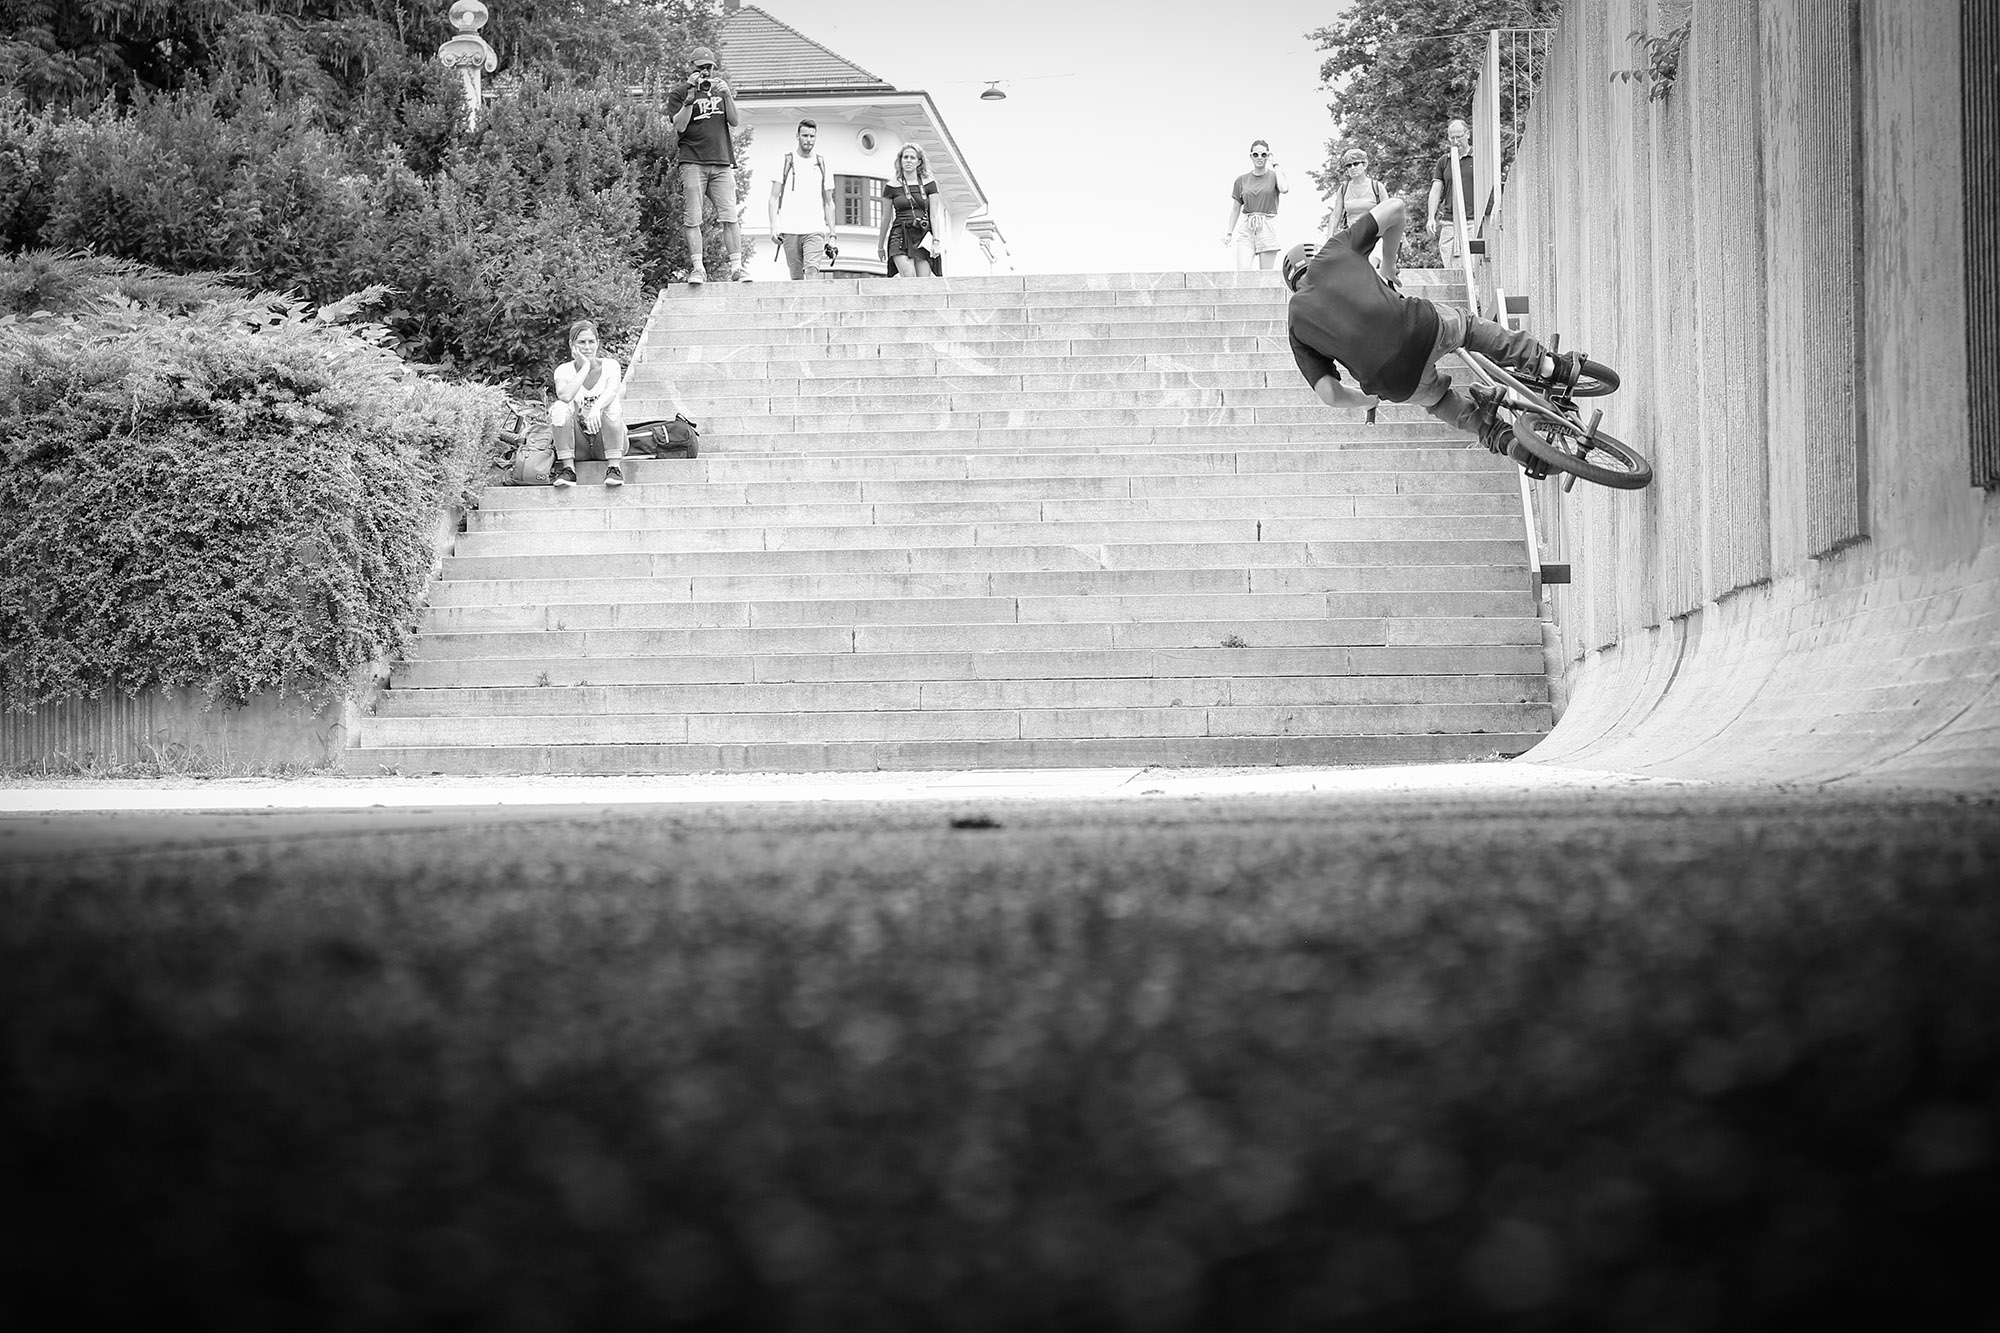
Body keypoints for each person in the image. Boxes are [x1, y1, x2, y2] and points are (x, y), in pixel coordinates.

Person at [1280, 197, 1581, 456]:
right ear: (1315, 256)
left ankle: (1506, 441)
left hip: (1391, 381)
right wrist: (1387, 263)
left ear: (1293, 286)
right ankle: (1548, 366)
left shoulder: (1295, 321)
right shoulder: (1334, 251)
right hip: (1419, 328)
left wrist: (1367, 399)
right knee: (1468, 328)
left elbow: (1330, 394)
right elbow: (1396, 208)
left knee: (1438, 400)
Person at [668, 45, 746, 284]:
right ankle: (698, 268)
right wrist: (690, 99)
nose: (705, 72)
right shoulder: (680, 92)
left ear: (714, 68)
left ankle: (737, 268)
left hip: (721, 161)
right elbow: (679, 126)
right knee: (693, 217)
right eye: (700, 67)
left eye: (708, 67)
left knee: (730, 216)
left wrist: (728, 95)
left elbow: (734, 121)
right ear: (691, 68)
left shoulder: (720, 89)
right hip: (692, 161)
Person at [548, 320, 628, 489]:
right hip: (579, 445)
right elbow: (565, 395)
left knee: (611, 403)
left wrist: (597, 408)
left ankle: (614, 468)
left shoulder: (610, 365)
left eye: (591, 342)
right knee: (559, 407)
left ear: (597, 343)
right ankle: (568, 470)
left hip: (605, 442)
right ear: (572, 344)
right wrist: (585, 367)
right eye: (581, 342)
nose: (587, 347)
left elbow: (612, 390)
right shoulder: (563, 370)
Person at [767, 118, 837, 280]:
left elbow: (829, 202)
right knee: (796, 278)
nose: (808, 140)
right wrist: (773, 228)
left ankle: (812, 304)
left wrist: (832, 234)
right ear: (797, 136)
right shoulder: (785, 161)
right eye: (805, 136)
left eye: (812, 136)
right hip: (790, 228)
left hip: (815, 228)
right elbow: (773, 198)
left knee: (812, 270)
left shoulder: (822, 163)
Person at [1325, 147, 1397, 286]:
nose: (1352, 168)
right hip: (1353, 234)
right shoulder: (1344, 188)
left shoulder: (1377, 187)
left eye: (1356, 164)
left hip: (1375, 233)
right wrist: (1330, 236)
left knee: (1370, 261)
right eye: (1348, 165)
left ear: (1364, 165)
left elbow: (1390, 212)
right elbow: (1335, 215)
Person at [876, 144, 945, 277]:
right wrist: (880, 246)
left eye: (912, 158)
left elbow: (934, 215)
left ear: (919, 162)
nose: (908, 160)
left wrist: (936, 241)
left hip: (922, 234)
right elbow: (885, 218)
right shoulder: (892, 186)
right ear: (900, 161)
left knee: (923, 281)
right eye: (905, 157)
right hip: (900, 233)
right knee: (909, 276)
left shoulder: (929, 184)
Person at [1222, 139, 1289, 271]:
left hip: (1267, 225)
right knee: (1243, 273)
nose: (1259, 158)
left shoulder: (1275, 176)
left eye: (1263, 155)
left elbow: (1284, 188)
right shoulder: (1241, 180)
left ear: (1268, 155)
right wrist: (1229, 233)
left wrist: (1275, 164)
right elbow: (1235, 209)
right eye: (1256, 155)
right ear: (1251, 156)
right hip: (1248, 226)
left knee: (1265, 275)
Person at [1427, 119, 1478, 268]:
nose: (1455, 141)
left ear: (1467, 134)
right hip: (1449, 222)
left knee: (1472, 267)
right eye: (1452, 138)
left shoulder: (1478, 157)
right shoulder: (1444, 161)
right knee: (1451, 268)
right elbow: (1436, 190)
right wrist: (1431, 217)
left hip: (1472, 221)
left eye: (1459, 136)